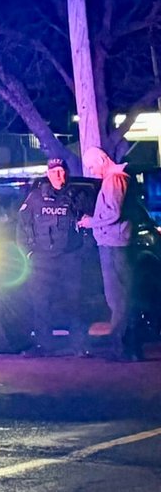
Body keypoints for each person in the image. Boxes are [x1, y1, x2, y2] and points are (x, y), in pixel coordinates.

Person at [16, 157, 89, 356]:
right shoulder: (35, 198)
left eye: (62, 171)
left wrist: (82, 252)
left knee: (74, 301)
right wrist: (27, 253)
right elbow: (22, 226)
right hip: (42, 259)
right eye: (55, 171)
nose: (60, 175)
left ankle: (79, 345)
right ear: (48, 174)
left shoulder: (77, 196)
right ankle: (44, 345)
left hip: (70, 257)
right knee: (40, 302)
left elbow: (89, 223)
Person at [77, 149, 144, 361]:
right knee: (123, 296)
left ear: (101, 160)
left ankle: (122, 348)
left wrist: (91, 222)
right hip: (116, 243)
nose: (92, 170)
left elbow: (112, 213)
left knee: (117, 298)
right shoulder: (117, 178)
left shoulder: (114, 180)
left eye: (92, 165)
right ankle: (129, 348)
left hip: (113, 244)